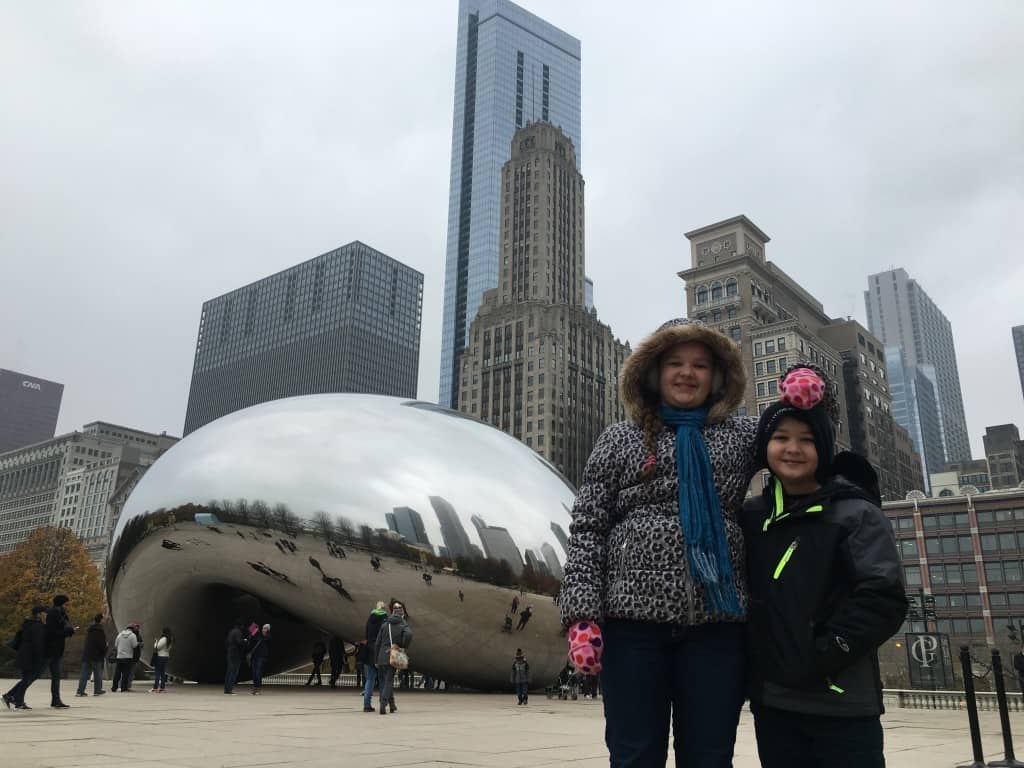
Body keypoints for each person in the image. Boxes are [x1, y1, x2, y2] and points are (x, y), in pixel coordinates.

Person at [560, 318, 760, 767]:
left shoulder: (741, 435)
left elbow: (808, 430)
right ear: (653, 372)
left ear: (719, 376)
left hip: (716, 626)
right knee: (634, 756)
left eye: (700, 365)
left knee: (709, 757)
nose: (687, 373)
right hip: (633, 628)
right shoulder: (620, 439)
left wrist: (807, 383)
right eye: (675, 363)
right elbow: (588, 529)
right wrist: (581, 617)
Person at [740, 367, 907, 768]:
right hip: (774, 703)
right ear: (765, 446)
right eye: (781, 438)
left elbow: (883, 597)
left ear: (826, 450)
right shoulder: (752, 515)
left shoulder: (855, 513)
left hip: (843, 704)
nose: (792, 449)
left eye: (807, 440)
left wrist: (827, 652)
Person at [3, 605, 49, 710]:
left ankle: (12, 698)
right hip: (31, 657)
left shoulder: (28, 624)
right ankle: (17, 701)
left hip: (24, 655)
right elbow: (37, 644)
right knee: (26, 680)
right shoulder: (37, 626)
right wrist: (40, 658)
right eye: (44, 613)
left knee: (26, 679)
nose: (46, 615)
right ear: (39, 614)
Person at [374, 600, 412, 715]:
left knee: (385, 681)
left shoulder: (385, 625)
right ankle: (383, 703)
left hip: (381, 656)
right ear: (400, 613)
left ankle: (392, 705)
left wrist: (376, 659)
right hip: (393, 655)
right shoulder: (402, 624)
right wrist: (403, 645)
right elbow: (409, 634)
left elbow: (377, 643)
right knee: (389, 681)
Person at [44, 594, 76, 708]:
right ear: (61, 604)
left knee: (56, 676)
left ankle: (56, 700)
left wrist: (69, 631)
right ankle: (14, 695)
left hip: (57, 649)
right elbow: (52, 633)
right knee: (33, 675)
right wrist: (66, 632)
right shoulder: (53, 614)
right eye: (66, 604)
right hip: (51, 649)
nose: (68, 606)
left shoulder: (60, 614)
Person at [362, 601, 388, 712]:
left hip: (370, 651)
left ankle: (366, 705)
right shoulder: (385, 619)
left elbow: (366, 634)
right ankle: (382, 704)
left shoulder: (370, 618)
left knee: (370, 679)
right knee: (382, 679)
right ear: (383, 608)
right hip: (380, 651)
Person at [76, 613, 107, 697]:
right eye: (103, 619)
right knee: (97, 674)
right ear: (100, 620)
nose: (104, 620)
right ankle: (97, 690)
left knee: (84, 673)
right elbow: (101, 644)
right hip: (96, 656)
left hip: (87, 654)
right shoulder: (100, 630)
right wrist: (105, 650)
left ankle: (80, 691)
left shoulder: (90, 630)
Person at [111, 624, 139, 692]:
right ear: (132, 629)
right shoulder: (133, 636)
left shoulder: (120, 635)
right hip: (128, 657)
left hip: (119, 657)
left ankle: (114, 687)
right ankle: (123, 688)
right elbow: (135, 645)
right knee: (125, 673)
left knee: (117, 673)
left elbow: (116, 645)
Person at [224, 621, 247, 694]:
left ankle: (226, 689)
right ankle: (229, 689)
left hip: (230, 653)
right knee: (234, 672)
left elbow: (226, 643)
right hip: (236, 654)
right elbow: (239, 642)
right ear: (241, 625)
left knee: (229, 671)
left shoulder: (231, 632)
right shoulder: (238, 632)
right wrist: (244, 641)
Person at [249, 624, 271, 695]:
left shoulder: (268, 636)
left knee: (258, 673)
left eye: (265, 628)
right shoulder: (258, 635)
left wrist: (258, 633)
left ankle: (258, 689)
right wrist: (253, 630)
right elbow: (251, 638)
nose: (263, 629)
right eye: (263, 628)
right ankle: (255, 688)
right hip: (254, 656)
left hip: (261, 657)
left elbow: (263, 639)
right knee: (254, 673)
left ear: (268, 630)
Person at [150, 627, 173, 693]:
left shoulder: (164, 639)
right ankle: (162, 688)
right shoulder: (170, 639)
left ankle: (155, 688)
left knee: (157, 672)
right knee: (163, 673)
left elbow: (157, 647)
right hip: (166, 656)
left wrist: (156, 642)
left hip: (160, 656)